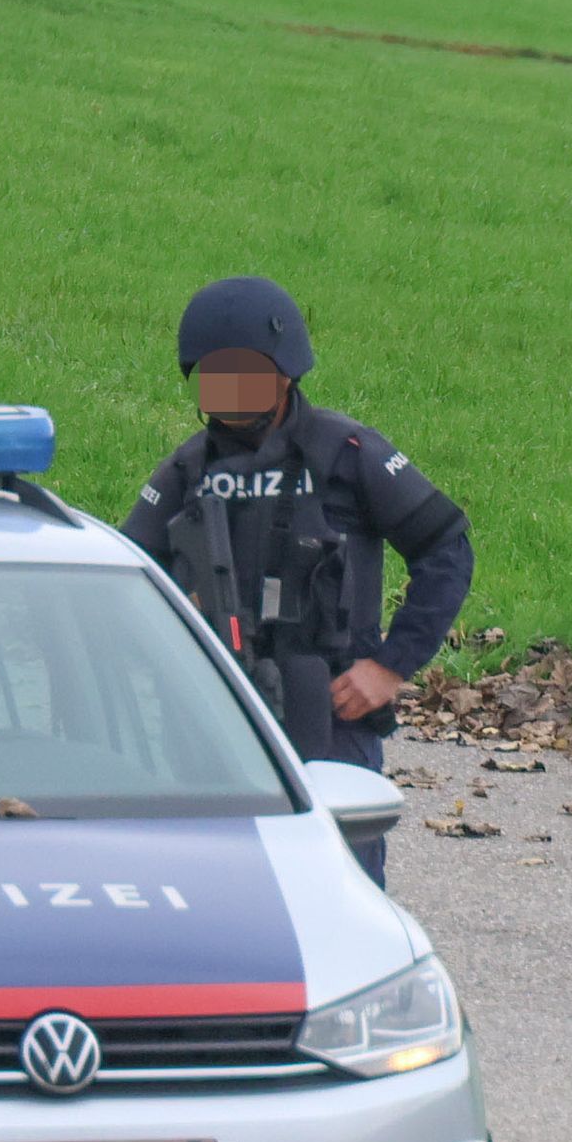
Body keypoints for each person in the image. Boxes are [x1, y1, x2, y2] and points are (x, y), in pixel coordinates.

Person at [126, 275, 472, 884]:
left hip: (333, 707)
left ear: (286, 371)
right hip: (223, 709)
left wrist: (390, 667)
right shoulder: (187, 471)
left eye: (246, 369)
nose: (230, 386)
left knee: (340, 882)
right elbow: (129, 579)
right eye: (215, 371)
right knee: (223, 884)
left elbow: (445, 546)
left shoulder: (348, 453)